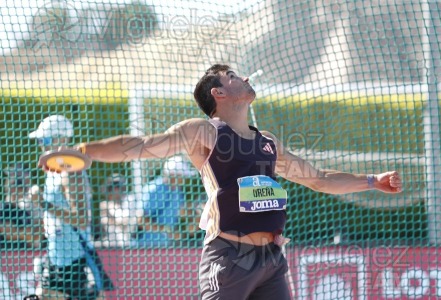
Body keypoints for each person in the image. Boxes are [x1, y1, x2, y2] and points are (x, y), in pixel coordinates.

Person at [39, 65, 403, 299]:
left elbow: (320, 179)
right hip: (228, 257)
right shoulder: (203, 132)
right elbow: (142, 147)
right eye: (233, 75)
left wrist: (372, 181)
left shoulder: (268, 142)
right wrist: (86, 151)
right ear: (219, 92)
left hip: (272, 260)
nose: (245, 77)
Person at [28, 115, 114, 300]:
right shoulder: (53, 169)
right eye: (40, 140)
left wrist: (42, 203)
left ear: (61, 139)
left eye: (46, 139)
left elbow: (81, 220)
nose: (42, 144)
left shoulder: (71, 172)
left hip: (74, 259)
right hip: (57, 256)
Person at [132, 154, 197, 247]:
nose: (185, 180)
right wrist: (166, 230)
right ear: (175, 175)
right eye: (183, 176)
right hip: (144, 246)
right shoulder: (153, 189)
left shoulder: (178, 191)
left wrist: (196, 214)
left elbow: (181, 212)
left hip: (165, 246)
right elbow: (141, 220)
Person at [1, 163, 45, 251]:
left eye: (15, 176)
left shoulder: (32, 200)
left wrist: (18, 233)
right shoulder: (7, 202)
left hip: (31, 250)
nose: (10, 179)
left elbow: (40, 229)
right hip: (9, 250)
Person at [96, 173, 138, 248]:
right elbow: (105, 222)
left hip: (129, 243)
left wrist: (114, 221)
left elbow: (126, 222)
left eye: (118, 186)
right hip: (110, 245)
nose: (115, 189)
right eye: (112, 186)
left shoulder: (130, 200)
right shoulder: (105, 205)